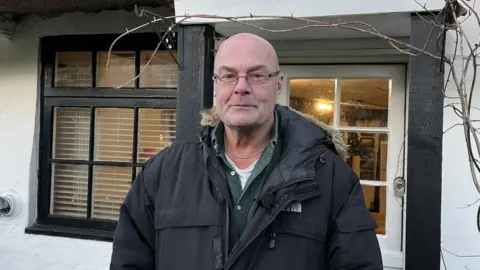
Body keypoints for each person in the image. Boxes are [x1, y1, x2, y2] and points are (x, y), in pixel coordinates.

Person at [110, 32, 383, 270]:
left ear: (278, 84)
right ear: (216, 84)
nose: (241, 88)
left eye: (257, 75)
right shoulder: (160, 176)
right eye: (229, 76)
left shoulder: (331, 180)